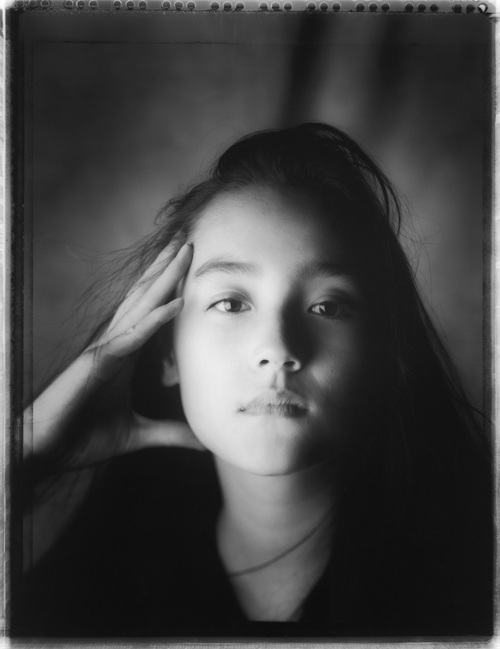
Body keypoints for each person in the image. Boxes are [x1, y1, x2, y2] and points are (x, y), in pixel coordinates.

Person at [16, 123, 493, 638]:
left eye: (327, 306)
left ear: (384, 352)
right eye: (231, 303)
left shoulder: (471, 588)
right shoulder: (98, 587)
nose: (278, 350)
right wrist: (25, 454)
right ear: (168, 352)